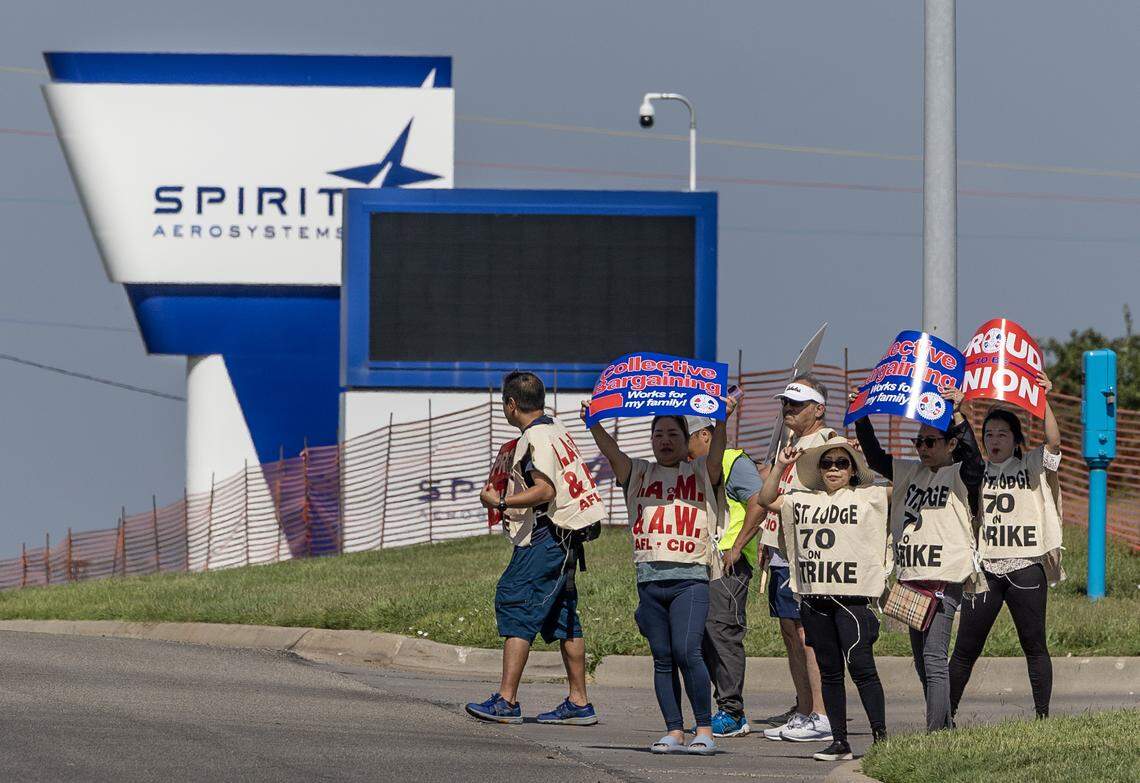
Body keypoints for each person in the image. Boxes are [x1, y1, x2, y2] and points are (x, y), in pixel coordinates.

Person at [585, 401, 735, 755]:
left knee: (688, 651)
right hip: (650, 580)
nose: (664, 441)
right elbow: (612, 453)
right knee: (663, 656)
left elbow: (717, 454)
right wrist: (592, 423)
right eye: (658, 434)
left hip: (691, 578)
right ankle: (673, 730)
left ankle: (704, 730)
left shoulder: (700, 471)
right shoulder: (638, 472)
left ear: (686, 440)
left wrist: (722, 420)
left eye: (672, 434)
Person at [466, 371, 605, 726]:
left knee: (516, 599)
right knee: (563, 614)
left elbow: (545, 491)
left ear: (511, 405)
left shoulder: (536, 438)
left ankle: (507, 700)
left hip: (547, 535)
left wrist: (499, 502)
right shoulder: (557, 431)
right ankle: (578, 702)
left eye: (504, 402)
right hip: (568, 535)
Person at [854, 384, 985, 732]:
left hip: (945, 576)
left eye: (931, 442)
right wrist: (862, 411)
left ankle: (935, 733)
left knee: (934, 656)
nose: (923, 448)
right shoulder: (909, 471)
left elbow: (975, 461)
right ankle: (944, 724)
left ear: (950, 444)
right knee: (920, 660)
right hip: (911, 576)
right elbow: (874, 456)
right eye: (919, 442)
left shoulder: (960, 475)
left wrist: (958, 415)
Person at [759, 436, 891, 761]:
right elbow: (765, 498)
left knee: (861, 666)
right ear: (819, 469)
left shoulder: (868, 496)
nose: (833, 468)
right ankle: (840, 741)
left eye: (841, 463)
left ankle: (882, 739)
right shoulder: (803, 498)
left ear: (852, 470)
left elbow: (900, 484)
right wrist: (780, 465)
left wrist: (867, 456)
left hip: (852, 597)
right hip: (815, 598)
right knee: (830, 671)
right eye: (827, 463)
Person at [950, 372, 1064, 720]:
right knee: (965, 649)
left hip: (1026, 566)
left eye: (1002, 434)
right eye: (989, 434)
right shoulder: (975, 471)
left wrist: (1043, 399)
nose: (994, 439)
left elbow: (1054, 444)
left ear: (1016, 440)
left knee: (1034, 645)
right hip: (986, 569)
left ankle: (1043, 716)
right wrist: (958, 411)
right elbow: (964, 443)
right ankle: (943, 717)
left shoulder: (1031, 464)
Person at [757, 376, 835, 743]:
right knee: (790, 633)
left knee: (808, 636)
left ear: (818, 409)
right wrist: (764, 538)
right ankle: (804, 710)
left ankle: (822, 712)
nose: (789, 409)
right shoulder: (789, 442)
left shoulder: (826, 443)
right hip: (780, 549)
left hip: (807, 553)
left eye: (797, 403)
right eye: (786, 403)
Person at [686, 415, 766, 738]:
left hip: (729, 567)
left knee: (723, 635)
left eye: (686, 437)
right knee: (705, 636)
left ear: (705, 435)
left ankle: (732, 713)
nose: (682, 446)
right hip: (704, 564)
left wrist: (737, 547)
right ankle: (722, 709)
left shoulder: (734, 463)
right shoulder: (698, 470)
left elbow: (759, 503)